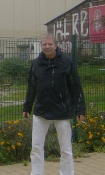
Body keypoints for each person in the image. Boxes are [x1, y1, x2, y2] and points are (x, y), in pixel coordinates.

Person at [23, 33, 85, 175]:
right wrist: (27, 107)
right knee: (36, 147)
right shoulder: (36, 64)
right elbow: (31, 87)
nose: (47, 47)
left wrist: (80, 110)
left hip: (62, 112)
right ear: (41, 46)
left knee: (65, 148)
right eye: (44, 44)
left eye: (50, 44)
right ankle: (37, 173)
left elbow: (76, 87)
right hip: (41, 112)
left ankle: (67, 173)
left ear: (56, 45)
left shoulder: (67, 62)